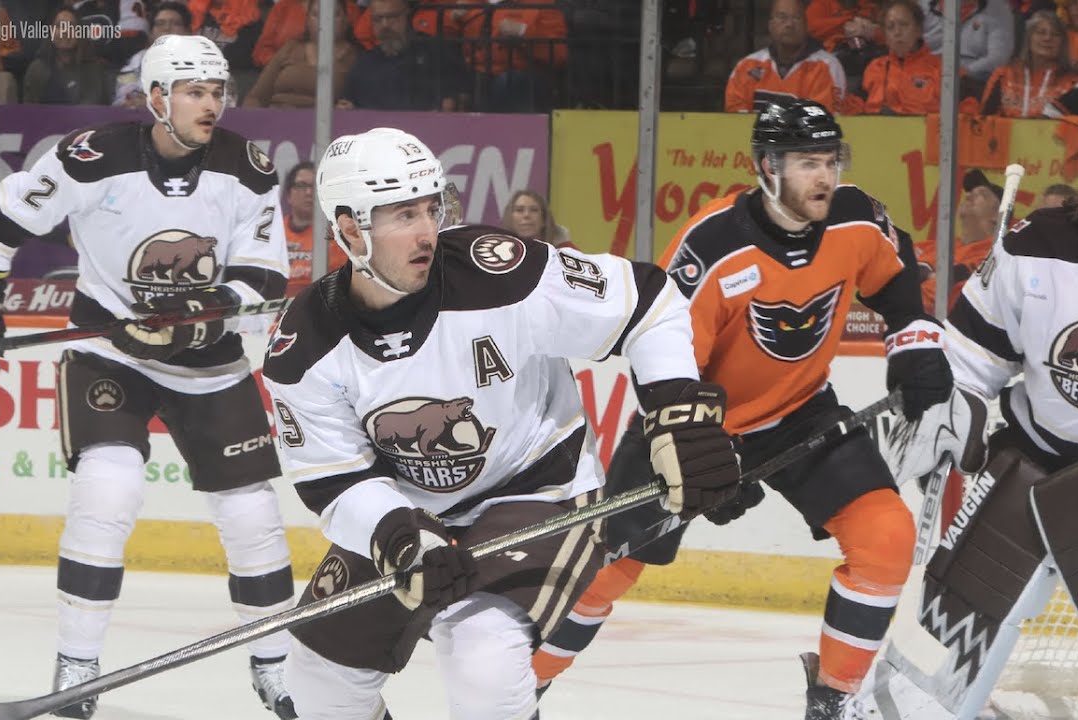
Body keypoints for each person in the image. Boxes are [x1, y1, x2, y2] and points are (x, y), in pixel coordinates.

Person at [261, 126, 742, 719]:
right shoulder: (303, 345)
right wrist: (398, 533)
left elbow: (646, 302)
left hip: (534, 491)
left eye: (430, 208)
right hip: (410, 512)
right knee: (317, 684)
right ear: (352, 229)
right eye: (402, 215)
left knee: (482, 663)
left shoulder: (502, 273)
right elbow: (332, 482)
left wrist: (678, 414)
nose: (426, 232)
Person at [532, 92, 954, 719]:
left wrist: (913, 341)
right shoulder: (712, 245)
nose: (825, 176)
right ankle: (518, 691)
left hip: (801, 412)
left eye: (830, 160)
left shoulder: (857, 217)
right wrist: (706, 458)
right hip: (688, 425)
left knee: (886, 537)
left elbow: (893, 275)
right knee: (606, 569)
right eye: (807, 162)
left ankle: (833, 701)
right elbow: (664, 363)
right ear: (767, 167)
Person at [0, 34, 298, 719]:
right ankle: (77, 673)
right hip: (112, 349)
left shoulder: (247, 168)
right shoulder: (90, 158)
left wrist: (194, 314)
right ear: (157, 98)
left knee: (253, 517)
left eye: (218, 91)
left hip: (207, 361)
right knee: (108, 491)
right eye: (195, 92)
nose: (211, 105)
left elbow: (263, 280)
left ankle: (276, 670)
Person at [858, 128, 1078, 720]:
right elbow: (975, 353)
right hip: (1036, 445)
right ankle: (913, 706)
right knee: (972, 596)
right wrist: (952, 410)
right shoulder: (1037, 243)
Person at [338, 0, 470, 111]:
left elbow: (455, 102)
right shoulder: (364, 63)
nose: (385, 25)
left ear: (408, 16)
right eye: (378, 19)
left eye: (392, 17)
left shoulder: (439, 53)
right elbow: (348, 103)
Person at [724, 0, 846, 114]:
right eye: (782, 17)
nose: (789, 24)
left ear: (806, 25)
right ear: (770, 25)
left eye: (796, 18)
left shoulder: (827, 66)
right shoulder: (747, 65)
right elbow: (736, 119)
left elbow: (822, 122)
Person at [242, 0, 361, 108]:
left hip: (324, 127)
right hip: (275, 120)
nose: (324, 20)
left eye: (334, 14)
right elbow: (256, 97)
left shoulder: (355, 58)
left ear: (346, 20)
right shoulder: (290, 48)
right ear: (307, 20)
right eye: (316, 15)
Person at [916, 168, 1000, 313]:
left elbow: (940, 294)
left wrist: (920, 272)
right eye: (970, 193)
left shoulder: (994, 256)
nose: (970, 195)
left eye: (983, 194)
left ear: (997, 216)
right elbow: (890, 269)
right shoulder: (938, 246)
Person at [978, 10, 1078, 117]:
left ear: (1063, 43)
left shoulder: (1072, 82)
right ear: (1029, 38)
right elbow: (984, 119)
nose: (1047, 38)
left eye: (1055, 34)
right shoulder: (1003, 75)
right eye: (1040, 32)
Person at [860, 0, 943, 115]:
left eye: (904, 25)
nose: (897, 32)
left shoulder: (942, 70)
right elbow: (853, 112)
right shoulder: (874, 68)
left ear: (918, 30)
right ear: (885, 35)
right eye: (890, 27)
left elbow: (965, 116)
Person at [281, 160, 346, 295]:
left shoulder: (335, 236)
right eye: (301, 185)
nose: (309, 192)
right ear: (288, 195)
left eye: (314, 187)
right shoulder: (273, 232)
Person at [23, 6, 110, 106]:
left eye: (71, 26)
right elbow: (28, 114)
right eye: (59, 26)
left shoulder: (94, 70)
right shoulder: (36, 70)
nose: (65, 32)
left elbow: (98, 112)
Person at [114, 2, 192, 109]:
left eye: (176, 23)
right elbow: (122, 94)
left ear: (188, 32)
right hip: (141, 119)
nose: (167, 28)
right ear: (151, 33)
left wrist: (154, 102)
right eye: (160, 23)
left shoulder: (200, 61)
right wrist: (134, 100)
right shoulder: (138, 60)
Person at [500, 189, 574, 249]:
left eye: (534, 210)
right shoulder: (496, 251)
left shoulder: (567, 252)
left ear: (544, 219)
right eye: (519, 210)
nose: (526, 215)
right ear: (510, 218)